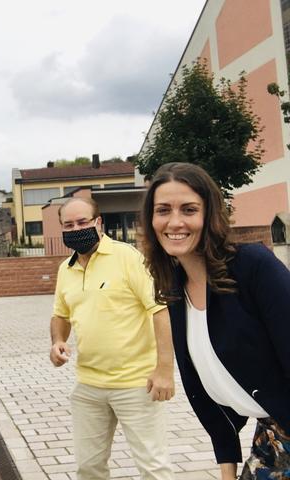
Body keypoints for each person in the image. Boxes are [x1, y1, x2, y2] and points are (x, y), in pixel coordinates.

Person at [140, 162, 290, 480]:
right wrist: (227, 472)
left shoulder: (253, 266)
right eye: (163, 210)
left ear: (209, 215)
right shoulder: (174, 288)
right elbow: (205, 397)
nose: (175, 222)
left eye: (189, 209)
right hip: (272, 432)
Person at [50, 197, 175, 480]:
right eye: (68, 225)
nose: (76, 228)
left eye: (82, 222)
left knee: (153, 467)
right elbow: (61, 314)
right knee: (88, 468)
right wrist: (58, 341)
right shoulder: (65, 269)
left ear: (98, 223)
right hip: (89, 387)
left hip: (136, 384)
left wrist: (165, 371)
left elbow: (159, 310)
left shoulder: (128, 257)